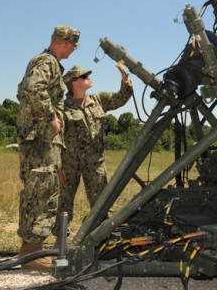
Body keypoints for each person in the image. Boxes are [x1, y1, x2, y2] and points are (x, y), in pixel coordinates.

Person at [16, 25, 80, 272]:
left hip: (41, 140)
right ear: (65, 43)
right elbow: (33, 87)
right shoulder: (48, 62)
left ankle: (32, 250)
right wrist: (50, 115)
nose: (73, 50)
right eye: (73, 46)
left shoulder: (45, 61)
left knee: (40, 191)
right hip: (40, 139)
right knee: (42, 193)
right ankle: (32, 254)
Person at [55, 63, 132, 236]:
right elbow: (56, 138)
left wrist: (125, 80)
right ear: (73, 82)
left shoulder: (99, 100)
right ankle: (59, 242)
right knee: (64, 202)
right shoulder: (62, 107)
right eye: (84, 76)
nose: (88, 77)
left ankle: (100, 238)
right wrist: (58, 165)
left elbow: (121, 98)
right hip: (69, 163)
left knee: (100, 202)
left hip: (95, 162)